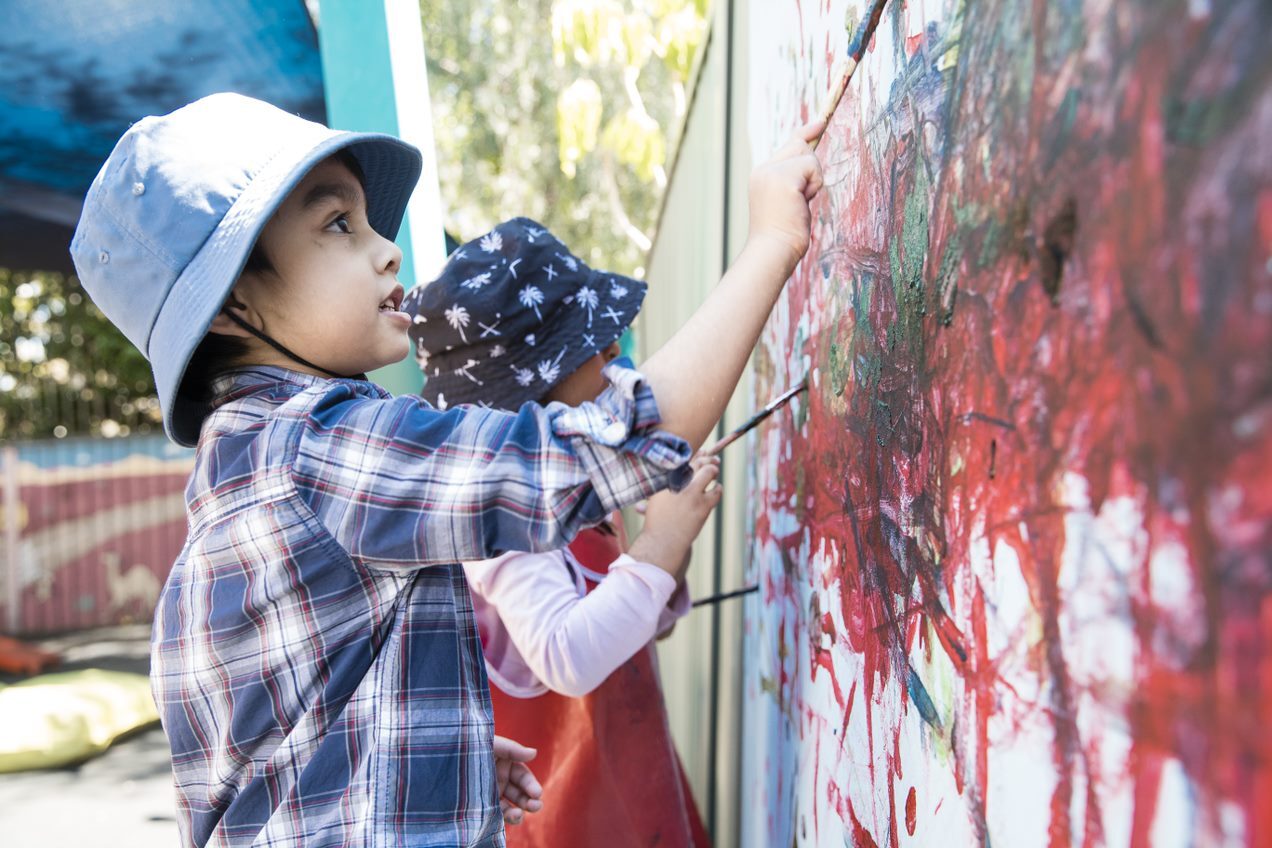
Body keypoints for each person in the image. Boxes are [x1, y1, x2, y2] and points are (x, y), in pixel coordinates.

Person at [69, 92, 823, 847]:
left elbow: (266, 751)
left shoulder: (235, 481)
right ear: (233, 302)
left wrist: (438, 756)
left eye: (368, 219)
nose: (386, 248)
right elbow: (612, 447)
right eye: (337, 224)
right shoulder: (320, 446)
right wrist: (773, 240)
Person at [404, 218, 720, 846]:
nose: (615, 356)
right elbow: (567, 656)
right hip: (569, 813)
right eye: (595, 346)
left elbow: (621, 627)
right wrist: (660, 547)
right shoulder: (499, 530)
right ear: (529, 395)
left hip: (631, 773)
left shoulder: (580, 498)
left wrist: (667, 569)